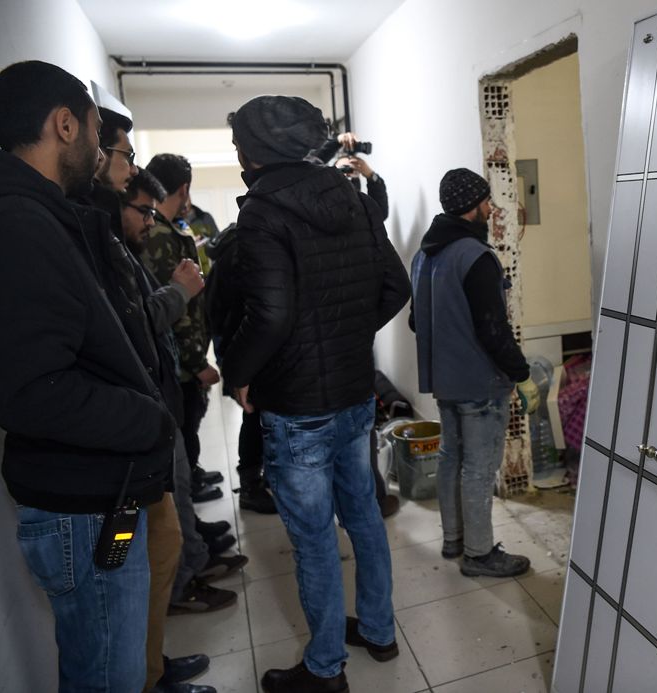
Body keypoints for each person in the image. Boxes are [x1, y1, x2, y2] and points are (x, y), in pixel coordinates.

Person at [0, 60, 175, 692]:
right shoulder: (17, 224)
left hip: (97, 490)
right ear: (66, 125)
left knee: (108, 666)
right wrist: (147, 418)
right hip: (82, 506)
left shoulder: (47, 214)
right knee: (104, 677)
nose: (101, 152)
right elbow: (30, 391)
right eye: (96, 131)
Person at [223, 95, 410, 693]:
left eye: (238, 146)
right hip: (354, 396)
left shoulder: (260, 214)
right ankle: (378, 630)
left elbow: (271, 316)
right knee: (362, 515)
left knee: (313, 542)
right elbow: (394, 286)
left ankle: (325, 667)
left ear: (254, 152)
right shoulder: (352, 200)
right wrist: (345, 336)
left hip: (297, 409)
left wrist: (238, 372)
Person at [85, 111, 217, 693]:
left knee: (157, 553)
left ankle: (153, 669)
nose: (128, 167)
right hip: (125, 441)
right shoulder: (86, 241)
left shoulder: (116, 243)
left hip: (149, 421)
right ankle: (147, 673)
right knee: (137, 567)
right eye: (121, 153)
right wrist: (181, 295)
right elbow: (134, 327)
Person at [121, 169, 247, 621]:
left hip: (171, 376)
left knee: (182, 474)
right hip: (165, 380)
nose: (148, 221)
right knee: (172, 488)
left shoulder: (162, 236)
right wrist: (195, 363)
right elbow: (160, 314)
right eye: (143, 211)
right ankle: (186, 576)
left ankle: (193, 561)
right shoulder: (150, 243)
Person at [409, 168, 540, 578]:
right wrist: (520, 375)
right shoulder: (476, 257)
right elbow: (493, 328)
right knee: (480, 468)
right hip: (480, 383)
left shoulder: (423, 255)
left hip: (444, 380)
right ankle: (480, 554)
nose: (490, 208)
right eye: (486, 201)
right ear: (471, 207)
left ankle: (455, 540)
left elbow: (418, 321)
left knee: (452, 458)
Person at [142, 153, 223, 505]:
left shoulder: (169, 226)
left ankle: (193, 479)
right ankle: (189, 498)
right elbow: (178, 309)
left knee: (190, 428)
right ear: (184, 188)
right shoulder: (160, 233)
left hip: (183, 358)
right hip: (177, 364)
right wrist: (195, 362)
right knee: (184, 430)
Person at [204, 223, 277, 514]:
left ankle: (261, 479)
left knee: (256, 414)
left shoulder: (229, 248)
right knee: (254, 414)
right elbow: (250, 312)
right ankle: (250, 485)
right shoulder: (245, 252)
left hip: (233, 343)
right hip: (245, 346)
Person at [333, 132, 388, 220]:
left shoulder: (364, 211)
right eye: (343, 169)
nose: (347, 174)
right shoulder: (323, 205)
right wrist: (337, 140)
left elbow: (380, 214)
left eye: (351, 170)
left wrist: (371, 175)